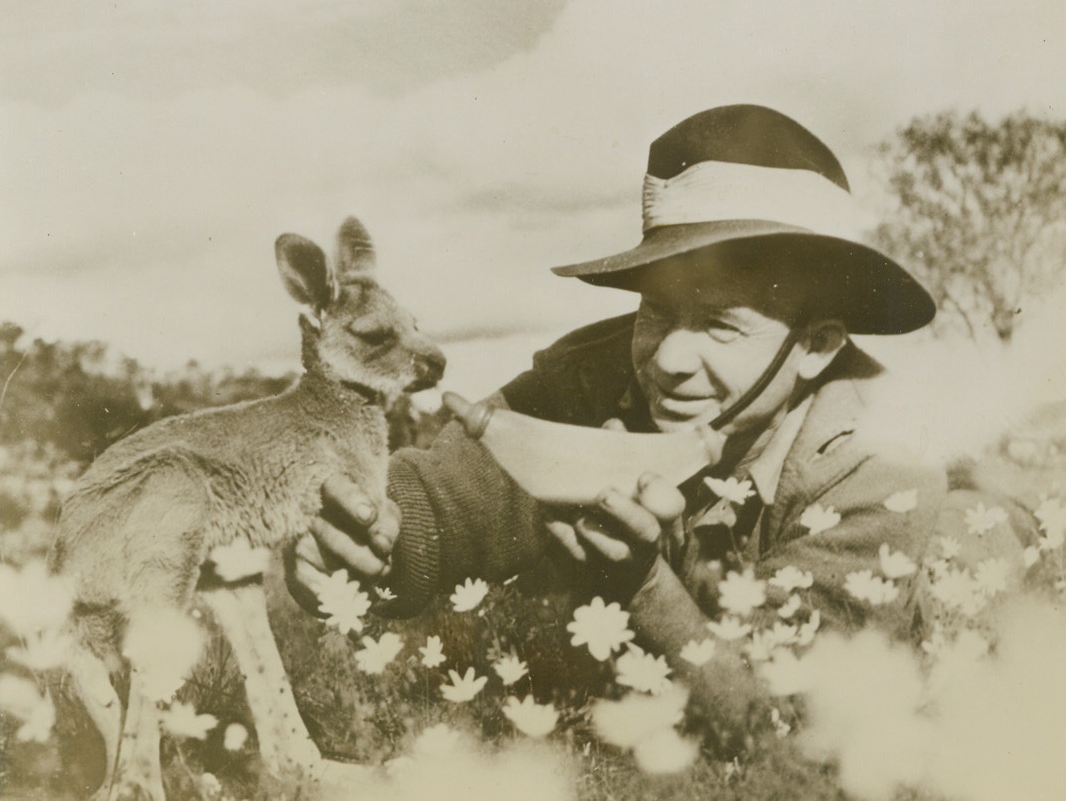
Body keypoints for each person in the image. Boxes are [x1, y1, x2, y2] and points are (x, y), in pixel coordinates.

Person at [288, 104, 950, 749]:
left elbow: (783, 728)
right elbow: (443, 502)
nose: (667, 359)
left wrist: (642, 586)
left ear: (818, 344)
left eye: (721, 324)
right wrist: (362, 534)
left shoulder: (882, 468)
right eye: (657, 312)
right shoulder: (590, 378)